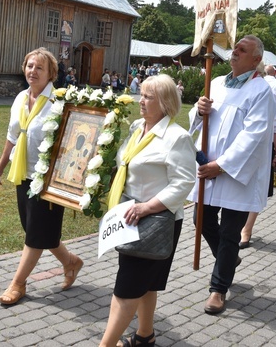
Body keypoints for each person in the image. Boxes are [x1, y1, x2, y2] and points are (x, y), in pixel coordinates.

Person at [99, 75, 196, 347]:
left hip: (157, 221)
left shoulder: (178, 138)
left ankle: (105, 344)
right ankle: (145, 336)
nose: (140, 100)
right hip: (130, 216)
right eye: (141, 94)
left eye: (147, 97)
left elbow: (184, 183)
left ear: (165, 103)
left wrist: (145, 208)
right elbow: (126, 164)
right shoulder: (137, 127)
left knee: (127, 287)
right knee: (146, 283)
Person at [0, 48, 83, 306]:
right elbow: (12, 136)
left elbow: (73, 141)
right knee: (37, 230)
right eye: (30, 66)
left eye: (39, 67)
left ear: (51, 73)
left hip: (49, 179)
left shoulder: (59, 102)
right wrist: (0, 168)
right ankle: (71, 262)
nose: (33, 71)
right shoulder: (20, 98)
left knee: (35, 234)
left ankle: (18, 284)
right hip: (24, 173)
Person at [189, 35, 275, 314]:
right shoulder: (215, 83)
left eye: (242, 50)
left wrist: (222, 165)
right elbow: (198, 122)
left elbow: (254, 135)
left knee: (229, 232)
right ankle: (228, 259)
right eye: (235, 48)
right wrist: (199, 111)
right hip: (208, 166)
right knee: (199, 217)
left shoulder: (261, 91)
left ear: (256, 59)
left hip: (237, 173)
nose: (235, 52)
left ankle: (218, 289)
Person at [239, 64, 276, 248]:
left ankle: (247, 229)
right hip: (234, 151)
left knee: (255, 189)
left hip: (260, 150)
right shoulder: (230, 87)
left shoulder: (267, 91)